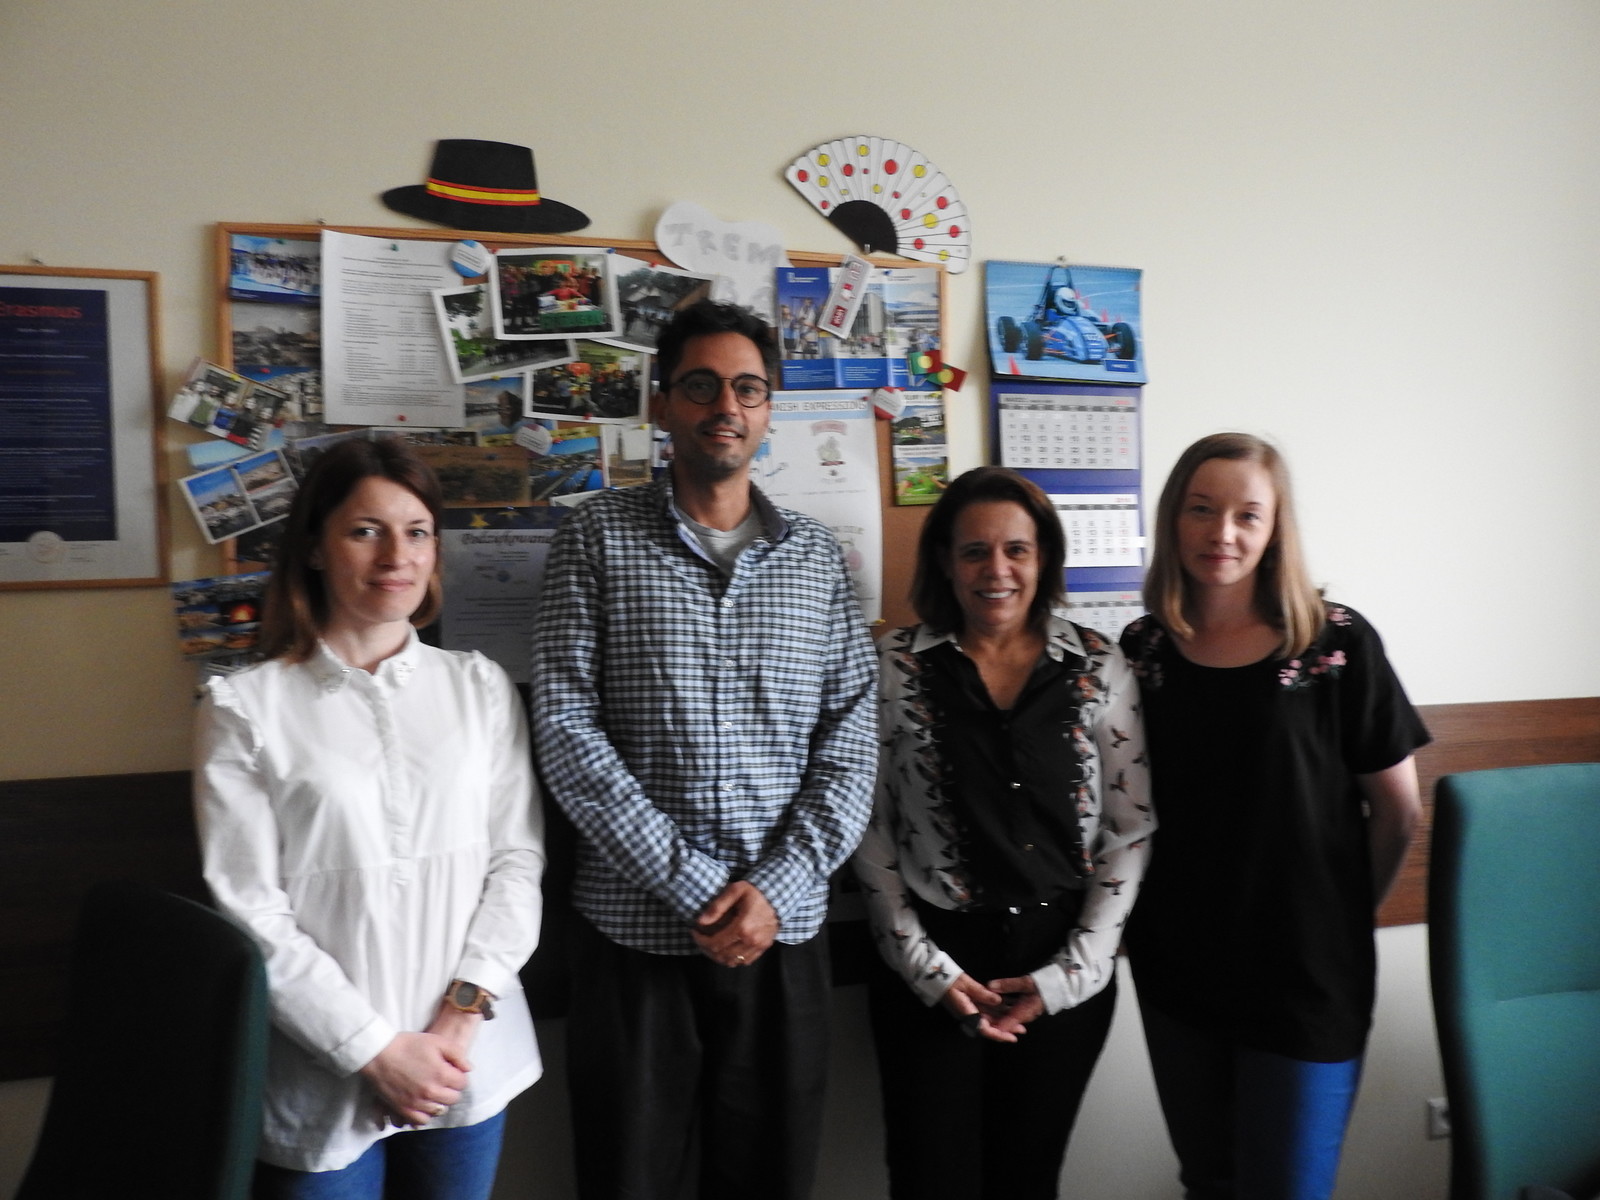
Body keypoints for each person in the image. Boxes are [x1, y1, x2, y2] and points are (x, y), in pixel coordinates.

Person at [531, 299, 877, 1200]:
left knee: (770, 1180)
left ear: (769, 410)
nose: (727, 405)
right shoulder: (595, 537)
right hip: (633, 937)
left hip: (781, 935)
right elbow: (565, 728)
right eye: (702, 385)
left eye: (748, 388)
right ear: (661, 404)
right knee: (628, 1180)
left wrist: (776, 889)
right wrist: (692, 884)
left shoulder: (816, 561)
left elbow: (850, 744)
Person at [193, 437, 545, 1199]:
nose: (397, 555)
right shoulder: (244, 708)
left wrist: (460, 1016)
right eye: (365, 531)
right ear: (315, 548)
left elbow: (516, 863)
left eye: (417, 532)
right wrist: (373, 1050)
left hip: (467, 1058)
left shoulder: (479, 689)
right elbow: (251, 911)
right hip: (318, 1073)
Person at [1119, 432, 1428, 1200]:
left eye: (1246, 514)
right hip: (1179, 972)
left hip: (1306, 977)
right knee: (1209, 1183)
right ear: (1174, 518)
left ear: (1274, 528)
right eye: (1201, 509)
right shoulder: (1142, 649)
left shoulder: (1336, 642)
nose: (1221, 532)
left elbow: (1398, 812)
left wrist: (1343, 914)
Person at [852, 466, 1155, 1200]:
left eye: (1017, 549)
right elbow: (868, 824)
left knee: (1028, 1179)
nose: (997, 570)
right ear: (944, 561)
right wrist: (926, 969)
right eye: (974, 551)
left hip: (1060, 962)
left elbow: (1130, 827)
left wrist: (1071, 975)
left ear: (1043, 558)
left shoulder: (1098, 663)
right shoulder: (893, 666)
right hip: (931, 966)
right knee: (929, 1179)